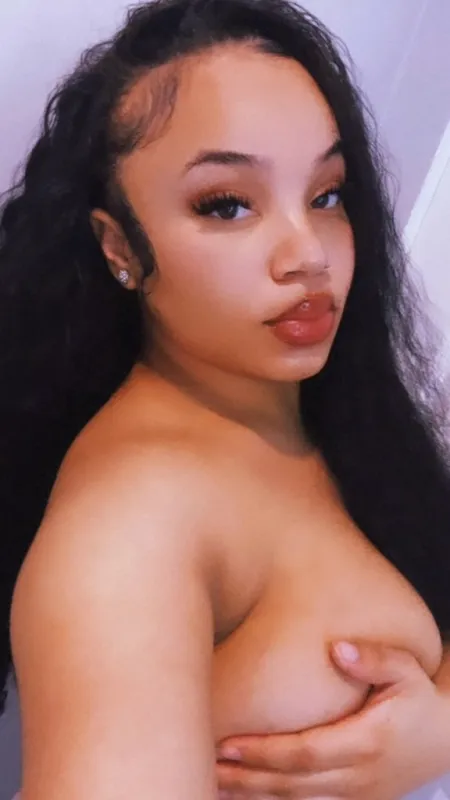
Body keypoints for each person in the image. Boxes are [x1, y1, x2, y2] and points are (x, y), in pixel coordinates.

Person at [1, 0, 449, 797]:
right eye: (227, 205)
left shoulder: (321, 410)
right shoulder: (131, 521)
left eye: (327, 194)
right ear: (117, 245)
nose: (307, 254)